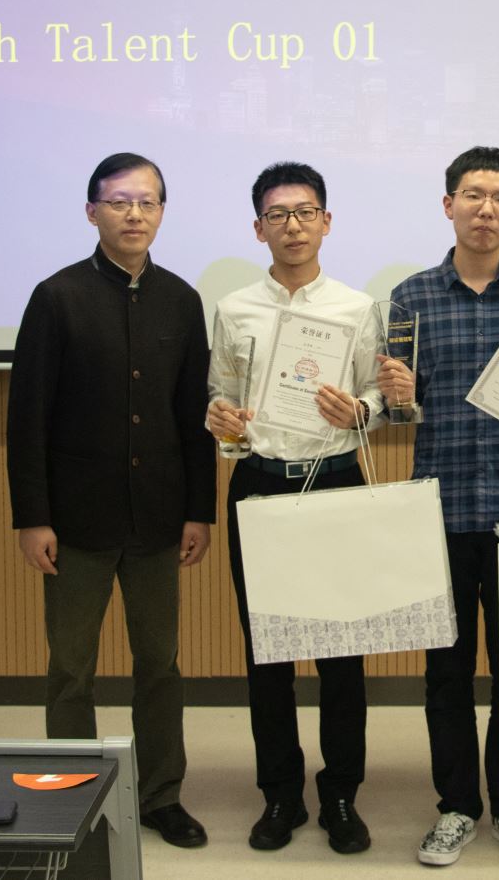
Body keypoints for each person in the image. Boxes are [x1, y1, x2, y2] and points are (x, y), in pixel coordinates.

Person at [6, 152, 214, 849]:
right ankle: (71, 797)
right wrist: (32, 518)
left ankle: (161, 796)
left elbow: (193, 418)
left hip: (158, 518)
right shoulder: (56, 297)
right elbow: (27, 419)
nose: (134, 214)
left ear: (162, 213)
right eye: (120, 201)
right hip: (75, 522)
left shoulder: (181, 300)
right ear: (92, 211)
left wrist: (200, 510)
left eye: (147, 202)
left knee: (160, 665)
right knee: (71, 669)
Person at [377, 146, 499, 868]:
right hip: (443, 510)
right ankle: (457, 807)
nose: (485, 209)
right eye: (472, 195)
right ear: (448, 205)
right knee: (447, 673)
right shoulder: (411, 298)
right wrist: (398, 400)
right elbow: (398, 414)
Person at [206, 161, 384, 856]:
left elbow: (380, 396)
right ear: (259, 228)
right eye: (278, 215)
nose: (293, 226)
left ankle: (341, 793)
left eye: (305, 212)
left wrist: (361, 409)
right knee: (267, 654)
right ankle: (280, 793)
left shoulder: (356, 308)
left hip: (334, 481)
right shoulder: (233, 309)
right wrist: (220, 418)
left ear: (326, 222)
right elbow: (219, 397)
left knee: (341, 655)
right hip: (261, 485)